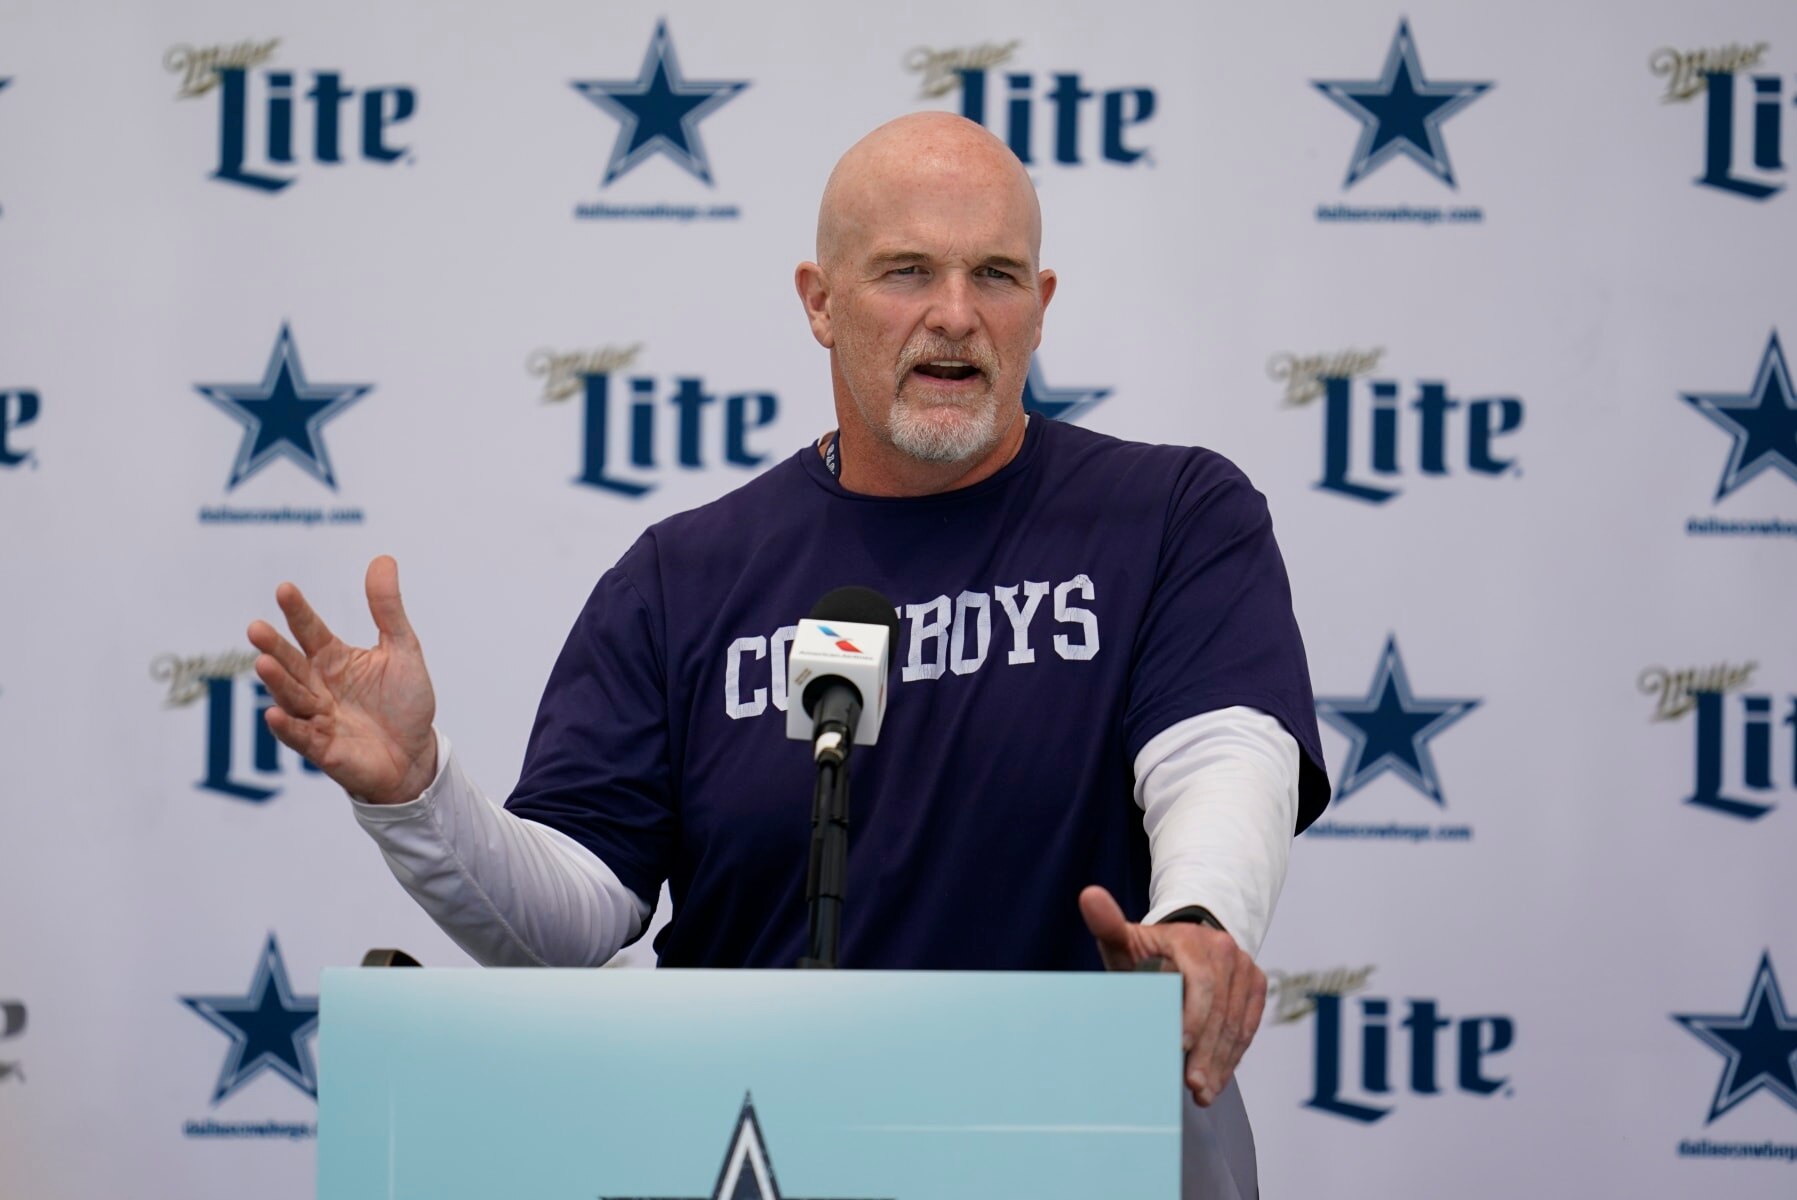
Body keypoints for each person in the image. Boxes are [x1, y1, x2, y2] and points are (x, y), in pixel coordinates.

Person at [248, 112, 1329, 1200]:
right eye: (907, 271)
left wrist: (1195, 925)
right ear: (819, 301)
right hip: (749, 1154)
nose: (955, 317)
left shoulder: (1171, 514)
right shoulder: (683, 579)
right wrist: (418, 795)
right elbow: (571, 921)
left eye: (996, 275)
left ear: (1040, 309)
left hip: (1072, 1139)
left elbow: (1222, 754)